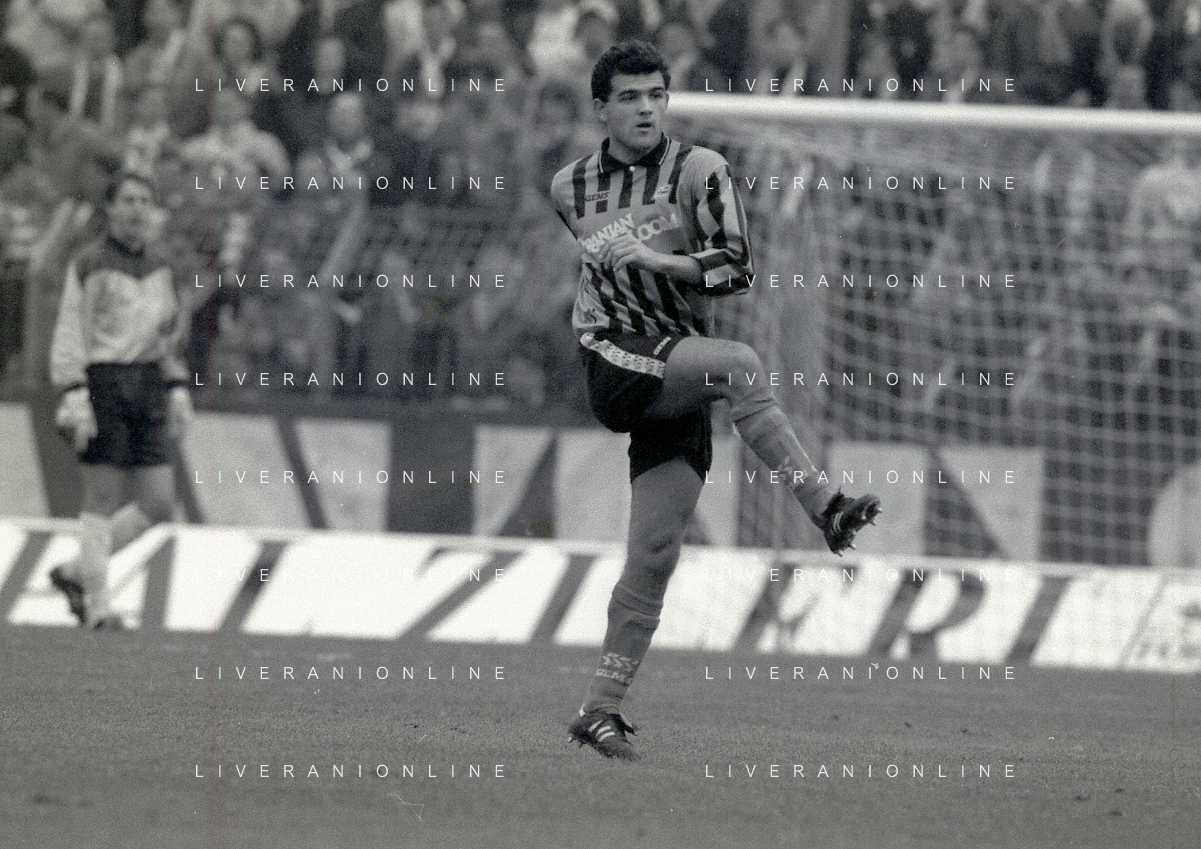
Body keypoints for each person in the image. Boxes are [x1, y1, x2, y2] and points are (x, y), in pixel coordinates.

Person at [550, 41, 881, 762]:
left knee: (655, 551)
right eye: (629, 97)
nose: (646, 109)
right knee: (741, 364)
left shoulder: (703, 170)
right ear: (600, 109)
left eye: (656, 95)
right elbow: (605, 280)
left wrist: (659, 259)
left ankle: (599, 709)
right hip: (614, 356)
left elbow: (737, 269)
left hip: (677, 367)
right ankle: (825, 505)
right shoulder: (568, 188)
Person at [48, 171, 192, 630]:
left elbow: (168, 336)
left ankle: (75, 573)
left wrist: (176, 386)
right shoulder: (90, 264)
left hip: (147, 383)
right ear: (109, 209)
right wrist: (74, 390)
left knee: (159, 502)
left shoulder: (162, 267)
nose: (137, 209)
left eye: (144, 201)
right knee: (102, 495)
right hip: (103, 382)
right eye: (128, 200)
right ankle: (98, 607)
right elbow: (71, 329)